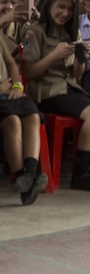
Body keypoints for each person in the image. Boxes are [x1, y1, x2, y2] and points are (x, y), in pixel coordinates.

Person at [21, 0, 90, 191]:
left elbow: (77, 74)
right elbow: (29, 73)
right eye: (60, 7)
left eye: (69, 9)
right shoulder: (35, 32)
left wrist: (81, 58)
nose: (65, 13)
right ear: (49, 6)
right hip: (46, 92)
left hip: (69, 88)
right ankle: (80, 174)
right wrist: (54, 54)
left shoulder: (72, 32)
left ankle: (89, 163)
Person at [1, 31, 48, 205]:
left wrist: (16, 85)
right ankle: (25, 179)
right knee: (12, 121)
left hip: (8, 93)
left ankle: (29, 172)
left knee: (33, 116)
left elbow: (11, 63)